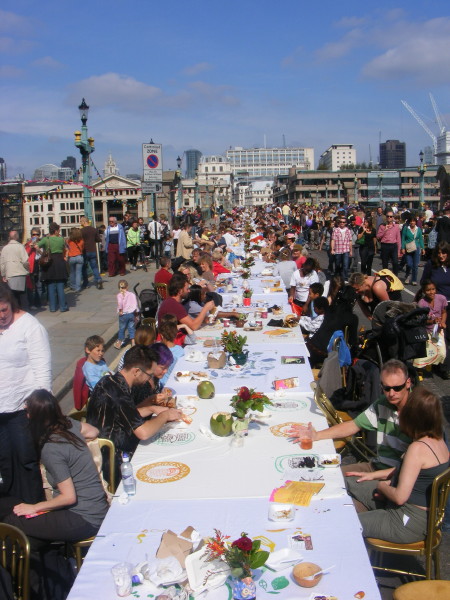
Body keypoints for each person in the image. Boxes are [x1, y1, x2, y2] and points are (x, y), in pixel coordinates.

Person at [345, 387, 449, 542]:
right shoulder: (439, 441)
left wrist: (382, 486)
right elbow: (411, 472)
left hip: (406, 520)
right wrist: (373, 475)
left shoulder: (417, 448)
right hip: (421, 515)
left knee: (347, 524)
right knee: (347, 481)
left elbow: (400, 497)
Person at [296, 360, 412, 477]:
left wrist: (373, 476)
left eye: (397, 388)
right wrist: (317, 435)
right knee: (321, 475)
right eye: (386, 388)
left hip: (398, 477)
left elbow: (415, 467)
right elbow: (353, 425)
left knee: (334, 480)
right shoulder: (382, 403)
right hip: (376, 466)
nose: (391, 393)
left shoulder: (418, 411)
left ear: (408, 383)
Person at [87, 345, 183, 470]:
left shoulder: (109, 381)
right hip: (113, 460)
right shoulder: (119, 394)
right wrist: (165, 415)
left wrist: (151, 409)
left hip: (104, 450)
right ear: (137, 371)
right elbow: (143, 433)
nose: (149, 379)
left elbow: (126, 413)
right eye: (149, 375)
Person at [0, 283, 51, 503]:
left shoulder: (30, 327)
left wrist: (39, 406)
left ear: (11, 303)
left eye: (4, 310)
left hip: (23, 408)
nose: (1, 316)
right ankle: (12, 509)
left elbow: (42, 368)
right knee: (5, 461)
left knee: (26, 459)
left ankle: (32, 506)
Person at [38, 223, 69, 313]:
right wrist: (66, 257)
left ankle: (52, 307)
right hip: (59, 262)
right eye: (59, 230)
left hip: (49, 263)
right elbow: (66, 248)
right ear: (55, 231)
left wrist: (41, 252)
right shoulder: (61, 239)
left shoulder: (46, 239)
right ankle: (63, 307)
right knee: (60, 285)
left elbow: (36, 245)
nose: (59, 232)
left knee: (50, 286)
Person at [0, 231, 30, 307]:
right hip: (20, 273)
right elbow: (25, 261)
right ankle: (25, 312)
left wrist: (3, 274)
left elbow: (2, 264)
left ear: (9, 237)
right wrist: (27, 270)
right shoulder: (20, 247)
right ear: (17, 237)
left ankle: (15, 311)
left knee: (13, 296)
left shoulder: (5, 248)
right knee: (23, 296)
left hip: (10, 274)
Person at [79, 215, 103, 290]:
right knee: (94, 267)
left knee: (84, 267)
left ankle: (85, 282)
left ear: (84, 221)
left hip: (85, 251)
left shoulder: (81, 231)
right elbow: (98, 239)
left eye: (80, 221)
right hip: (93, 250)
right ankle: (98, 279)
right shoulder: (94, 229)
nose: (80, 223)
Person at [114, 279, 138, 349]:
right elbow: (135, 304)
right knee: (131, 328)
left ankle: (119, 343)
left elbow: (120, 303)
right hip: (131, 314)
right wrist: (136, 312)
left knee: (122, 329)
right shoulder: (132, 294)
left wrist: (121, 310)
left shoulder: (119, 295)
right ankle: (133, 343)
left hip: (123, 315)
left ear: (119, 287)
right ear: (127, 287)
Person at [401, 215, 425, 285]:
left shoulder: (418, 229)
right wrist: (402, 247)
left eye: (414, 221)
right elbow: (403, 238)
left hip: (416, 248)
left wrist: (423, 248)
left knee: (415, 265)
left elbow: (420, 239)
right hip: (408, 248)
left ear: (415, 222)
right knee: (409, 264)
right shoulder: (406, 228)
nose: (412, 222)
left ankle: (414, 279)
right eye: (411, 221)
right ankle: (408, 275)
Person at [377, 210, 401, 275]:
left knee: (395, 262)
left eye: (391, 216)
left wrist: (399, 251)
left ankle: (395, 277)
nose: (389, 218)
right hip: (385, 245)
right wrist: (385, 230)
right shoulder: (382, 226)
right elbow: (378, 236)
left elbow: (398, 239)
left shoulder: (396, 227)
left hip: (393, 245)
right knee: (385, 263)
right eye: (388, 216)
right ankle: (385, 277)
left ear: (393, 218)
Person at [24, 228, 42, 310]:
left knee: (39, 286)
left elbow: (44, 255)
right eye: (33, 235)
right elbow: (25, 255)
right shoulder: (28, 244)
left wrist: (38, 249)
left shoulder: (41, 243)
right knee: (30, 287)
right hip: (31, 268)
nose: (35, 236)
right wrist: (30, 247)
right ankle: (31, 303)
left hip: (39, 267)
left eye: (37, 234)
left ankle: (38, 303)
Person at [331, 215, 352, 281]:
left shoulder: (348, 230)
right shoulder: (336, 230)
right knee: (337, 265)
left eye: (343, 222)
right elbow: (333, 240)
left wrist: (351, 251)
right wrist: (332, 249)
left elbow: (350, 241)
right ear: (338, 223)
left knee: (345, 265)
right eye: (341, 222)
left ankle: (345, 279)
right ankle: (337, 277)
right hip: (338, 250)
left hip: (346, 250)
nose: (342, 223)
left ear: (346, 223)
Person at [66, 227, 84, 292]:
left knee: (72, 272)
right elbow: (82, 248)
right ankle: (78, 287)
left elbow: (67, 247)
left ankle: (72, 286)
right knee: (78, 273)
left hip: (71, 257)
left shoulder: (69, 241)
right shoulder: (81, 240)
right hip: (79, 256)